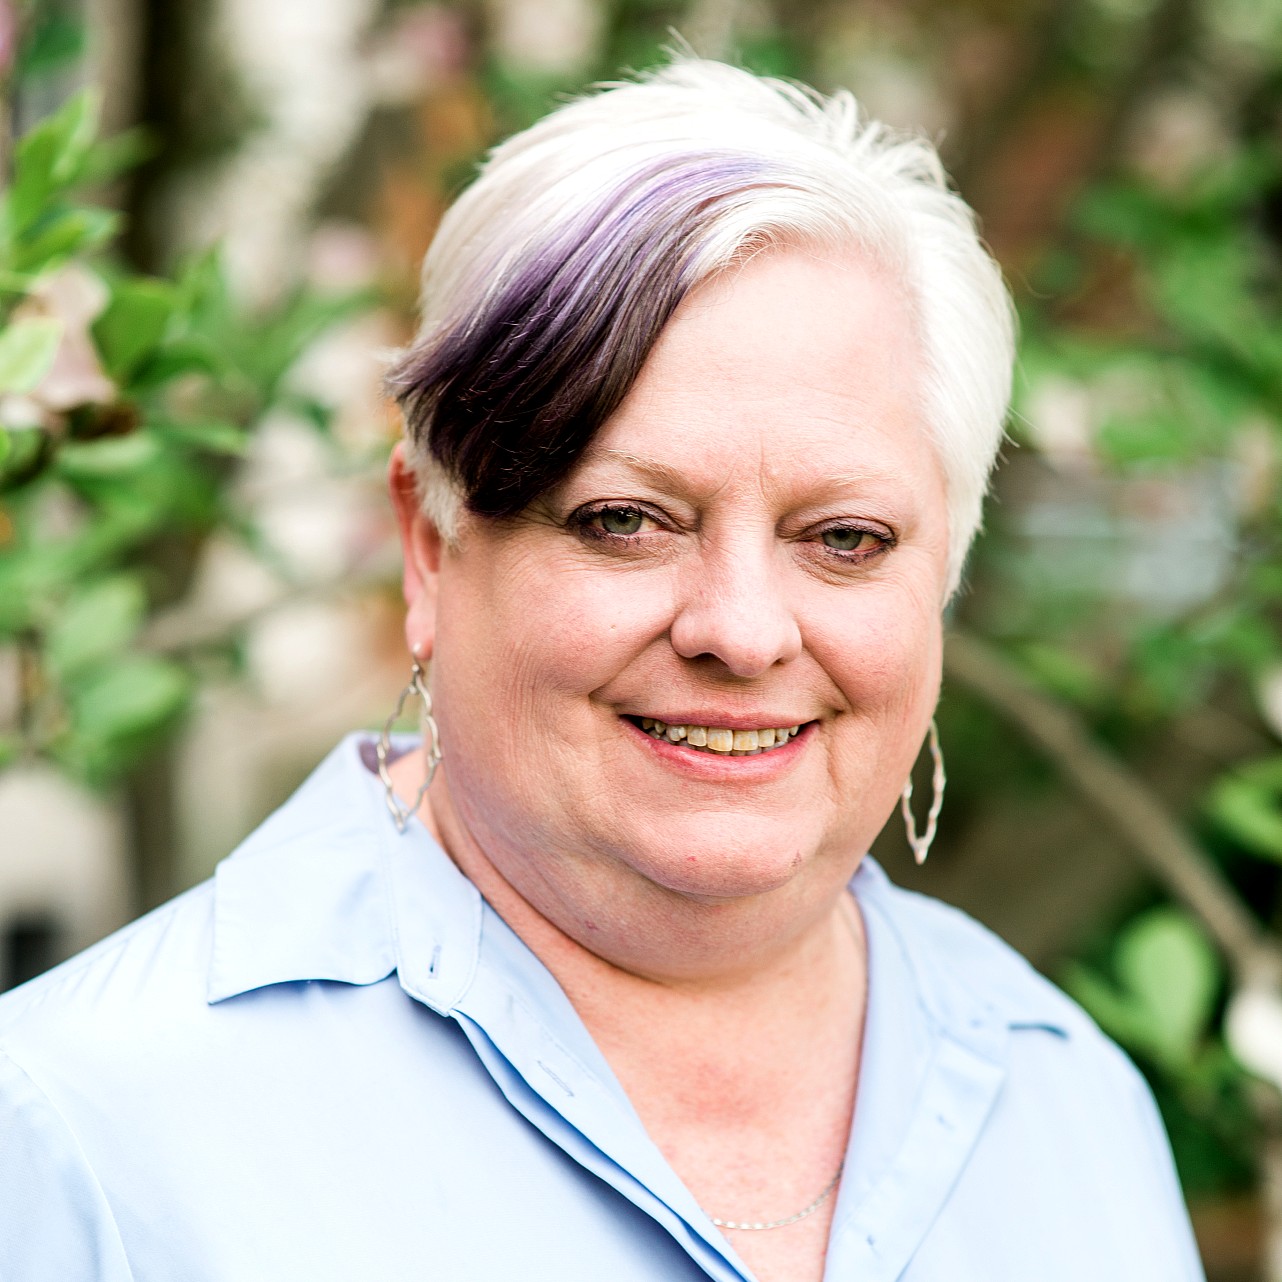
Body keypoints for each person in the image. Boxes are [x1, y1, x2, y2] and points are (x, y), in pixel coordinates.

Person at [0, 58, 1205, 1282]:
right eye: (625, 519)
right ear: (431, 546)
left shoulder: (1066, 1099)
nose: (740, 631)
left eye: (845, 538)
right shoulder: (85, 1132)